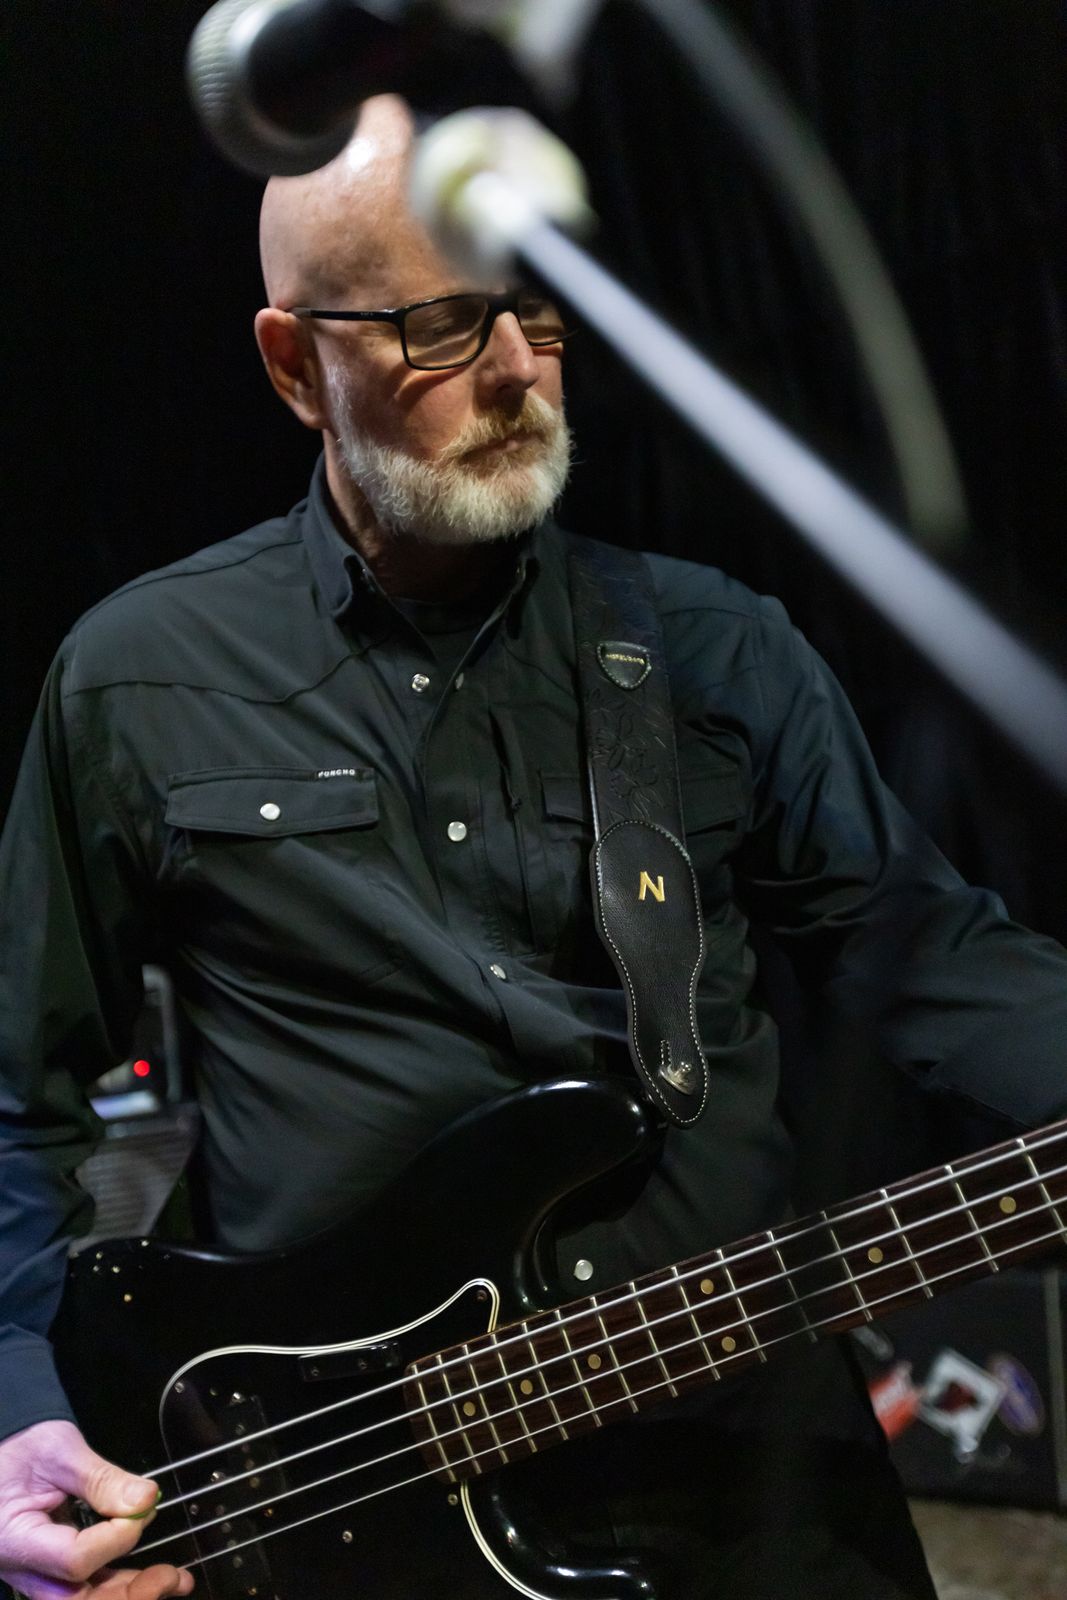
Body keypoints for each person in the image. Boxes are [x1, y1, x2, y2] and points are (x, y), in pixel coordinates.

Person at [2, 95, 1066, 1600]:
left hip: (750, 1466)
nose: (515, 368)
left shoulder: (713, 648)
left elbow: (937, 959)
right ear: (296, 365)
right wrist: (17, 1410)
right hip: (341, 1506)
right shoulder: (140, 677)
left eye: (537, 307)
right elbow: (19, 1098)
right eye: (441, 326)